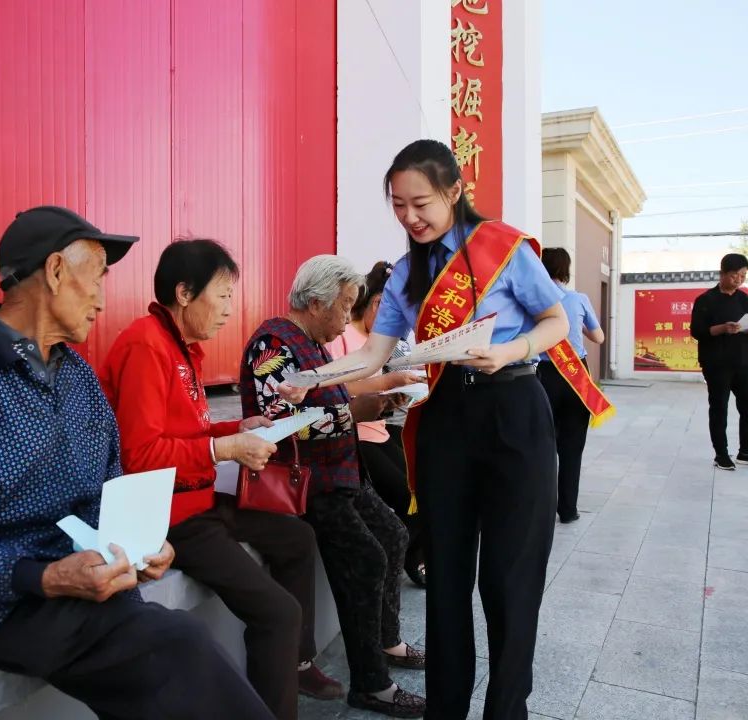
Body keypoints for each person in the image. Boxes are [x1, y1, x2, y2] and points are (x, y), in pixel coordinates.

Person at [0, 206, 275, 720]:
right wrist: (46, 577)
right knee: (176, 647)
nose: (102, 298)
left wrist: (139, 546)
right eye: (96, 279)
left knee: (169, 661)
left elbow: (108, 490)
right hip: (4, 604)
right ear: (55, 272)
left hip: (92, 583)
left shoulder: (78, 378)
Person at [284, 139, 570, 720]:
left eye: (421, 203)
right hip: (446, 421)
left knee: (509, 583)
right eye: (397, 206)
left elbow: (556, 320)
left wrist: (510, 349)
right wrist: (310, 378)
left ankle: (506, 709)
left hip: (513, 409)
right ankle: (446, 708)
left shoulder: (503, 248)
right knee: (445, 579)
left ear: (454, 192)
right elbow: (374, 356)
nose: (409, 217)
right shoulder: (408, 274)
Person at [99, 239, 343, 719]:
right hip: (171, 517)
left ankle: (297, 662)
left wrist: (238, 428)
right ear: (185, 292)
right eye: (224, 295)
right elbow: (141, 454)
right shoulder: (146, 344)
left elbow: (186, 430)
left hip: (200, 500)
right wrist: (224, 448)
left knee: (297, 536)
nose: (230, 310)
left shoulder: (180, 347)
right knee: (277, 612)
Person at [241, 255, 427, 719]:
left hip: (341, 474)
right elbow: (280, 424)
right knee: (367, 560)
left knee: (395, 535)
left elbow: (336, 401)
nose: (348, 316)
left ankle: (387, 641)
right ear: (319, 300)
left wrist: (379, 403)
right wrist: (353, 415)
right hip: (310, 485)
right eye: (345, 306)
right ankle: (371, 685)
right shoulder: (273, 344)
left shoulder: (314, 345)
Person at [324, 261, 426, 587]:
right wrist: (386, 385)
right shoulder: (343, 340)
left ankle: (409, 556)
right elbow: (336, 389)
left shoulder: (375, 342)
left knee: (420, 491)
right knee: (405, 497)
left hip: (379, 429)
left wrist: (392, 395)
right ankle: (406, 559)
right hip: (355, 435)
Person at [537, 248, 605, 523]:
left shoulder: (534, 301)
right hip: (576, 375)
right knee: (572, 446)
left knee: (541, 446)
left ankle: (539, 509)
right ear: (566, 269)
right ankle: (567, 510)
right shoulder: (578, 299)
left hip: (542, 375)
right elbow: (598, 337)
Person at [690, 252, 748, 470]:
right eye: (734, 275)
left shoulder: (744, 299)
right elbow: (697, 331)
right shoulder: (705, 300)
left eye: (743, 275)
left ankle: (746, 451)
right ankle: (721, 454)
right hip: (716, 364)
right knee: (719, 408)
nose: (739, 279)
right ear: (722, 274)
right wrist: (723, 328)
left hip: (743, 361)